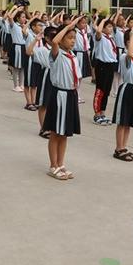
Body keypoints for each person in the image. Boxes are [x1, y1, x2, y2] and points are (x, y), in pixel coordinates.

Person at [44, 17, 83, 180]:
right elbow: (54, 41)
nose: (73, 41)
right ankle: (53, 165)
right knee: (55, 133)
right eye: (69, 38)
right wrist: (67, 27)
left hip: (71, 95)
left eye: (74, 38)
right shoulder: (57, 54)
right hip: (59, 95)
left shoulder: (72, 56)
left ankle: (61, 164)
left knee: (65, 133)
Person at [112, 28, 133, 161]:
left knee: (129, 122)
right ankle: (118, 148)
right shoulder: (125, 56)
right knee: (122, 121)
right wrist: (131, 37)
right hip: (127, 89)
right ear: (128, 42)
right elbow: (129, 54)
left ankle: (124, 147)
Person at [27, 24, 56, 137]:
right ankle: (43, 128)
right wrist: (36, 39)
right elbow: (29, 52)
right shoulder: (43, 49)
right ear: (47, 38)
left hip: (57, 77)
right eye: (52, 36)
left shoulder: (59, 49)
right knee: (44, 103)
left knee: (53, 104)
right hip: (47, 76)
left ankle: (51, 127)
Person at [92, 16, 118, 125]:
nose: (111, 28)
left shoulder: (110, 37)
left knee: (107, 91)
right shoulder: (100, 37)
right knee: (100, 90)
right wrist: (102, 20)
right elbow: (98, 31)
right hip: (102, 65)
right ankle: (97, 114)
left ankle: (103, 112)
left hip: (110, 65)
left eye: (111, 26)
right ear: (103, 28)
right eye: (108, 26)